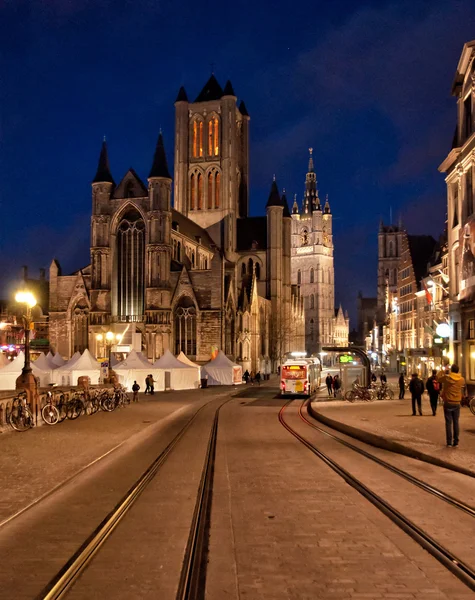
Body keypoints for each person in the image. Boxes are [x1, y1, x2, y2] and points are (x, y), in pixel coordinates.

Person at [438, 364, 466, 447]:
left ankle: (449, 442)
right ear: (458, 370)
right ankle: (456, 442)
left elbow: (438, 378)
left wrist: (443, 370)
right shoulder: (462, 379)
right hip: (457, 402)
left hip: (448, 402)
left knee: (448, 423)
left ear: (451, 370)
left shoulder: (447, 378)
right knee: (456, 422)